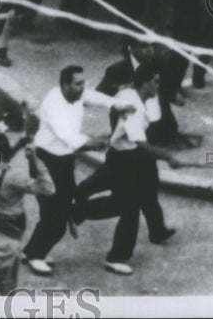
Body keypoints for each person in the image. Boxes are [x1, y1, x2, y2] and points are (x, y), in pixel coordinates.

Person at [72, 64, 181, 276]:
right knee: (129, 207)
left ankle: (156, 231)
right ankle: (116, 257)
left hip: (130, 157)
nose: (157, 87)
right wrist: (168, 156)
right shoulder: (135, 110)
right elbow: (140, 142)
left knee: (142, 193)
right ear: (146, 83)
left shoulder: (131, 94)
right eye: (155, 82)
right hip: (126, 159)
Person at [21, 65, 125, 276]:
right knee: (56, 217)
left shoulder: (77, 94)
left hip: (64, 160)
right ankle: (35, 256)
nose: (82, 88)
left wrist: (116, 104)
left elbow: (96, 97)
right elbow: (67, 136)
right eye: (78, 84)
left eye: (83, 83)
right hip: (46, 161)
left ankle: (32, 250)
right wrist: (93, 143)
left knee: (56, 210)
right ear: (64, 85)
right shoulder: (54, 104)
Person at [0, 131, 54, 296]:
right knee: (7, 290)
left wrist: (18, 145)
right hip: (7, 239)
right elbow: (48, 188)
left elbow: (0, 160)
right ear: (5, 152)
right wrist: (34, 158)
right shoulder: (15, 177)